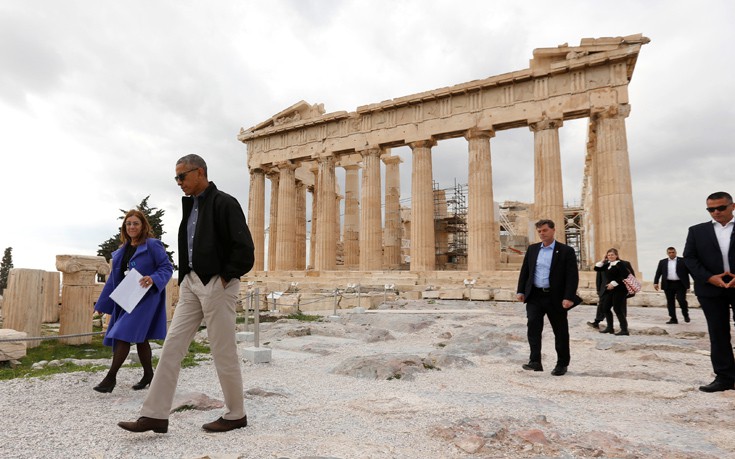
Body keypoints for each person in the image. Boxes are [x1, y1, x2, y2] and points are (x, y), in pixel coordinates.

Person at [119, 154, 255, 433]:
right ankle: (155, 415)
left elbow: (244, 247)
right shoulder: (190, 207)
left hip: (217, 283)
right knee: (171, 347)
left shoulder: (225, 203)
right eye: (176, 177)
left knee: (222, 350)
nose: (179, 182)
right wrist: (186, 279)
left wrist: (226, 276)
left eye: (182, 176)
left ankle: (236, 414)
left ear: (200, 172)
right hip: (191, 283)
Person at [93, 210, 173, 393]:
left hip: (146, 298)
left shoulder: (152, 245)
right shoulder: (122, 250)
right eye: (128, 224)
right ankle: (148, 375)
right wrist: (102, 305)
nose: (131, 227)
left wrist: (153, 278)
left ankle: (110, 378)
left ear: (143, 225)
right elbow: (115, 278)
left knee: (122, 334)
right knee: (141, 339)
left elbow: (166, 267)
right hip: (127, 298)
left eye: (135, 223)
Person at [683, 191, 735, 393]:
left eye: (720, 208)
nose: (715, 212)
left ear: (732, 206)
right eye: (711, 209)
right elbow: (690, 258)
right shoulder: (697, 231)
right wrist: (709, 277)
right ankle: (724, 377)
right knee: (718, 333)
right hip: (710, 288)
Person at [516, 219, 580, 376]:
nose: (541, 233)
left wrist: (569, 296)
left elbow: (572, 276)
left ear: (553, 230)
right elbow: (525, 272)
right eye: (539, 231)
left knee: (560, 331)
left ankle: (562, 364)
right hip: (535, 295)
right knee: (533, 327)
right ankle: (535, 361)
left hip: (555, 296)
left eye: (544, 230)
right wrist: (520, 291)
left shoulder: (566, 250)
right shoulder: (532, 249)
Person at [593, 248, 634, 336]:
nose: (610, 256)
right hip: (610, 289)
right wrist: (603, 260)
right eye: (608, 255)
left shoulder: (620, 264)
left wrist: (613, 283)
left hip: (620, 289)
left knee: (617, 309)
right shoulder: (608, 264)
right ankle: (610, 328)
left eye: (612, 255)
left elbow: (625, 276)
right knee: (605, 308)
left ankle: (624, 330)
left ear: (616, 255)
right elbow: (596, 268)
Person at [653, 247, 691, 324]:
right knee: (670, 302)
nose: (671, 254)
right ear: (667, 253)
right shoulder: (662, 262)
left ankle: (685, 315)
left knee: (681, 299)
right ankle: (673, 318)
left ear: (676, 252)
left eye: (673, 252)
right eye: (669, 252)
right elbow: (658, 273)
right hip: (668, 284)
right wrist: (655, 282)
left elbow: (690, 271)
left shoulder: (683, 261)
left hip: (680, 284)